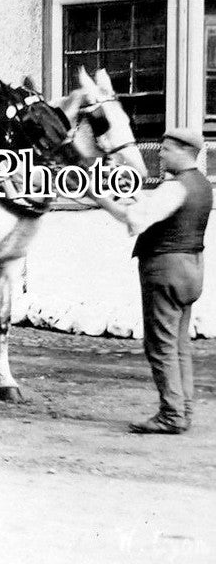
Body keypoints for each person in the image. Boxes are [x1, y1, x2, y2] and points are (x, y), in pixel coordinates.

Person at [93, 126, 212, 434]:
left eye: (166, 149)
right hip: (192, 268)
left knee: (160, 345)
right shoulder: (201, 184)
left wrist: (98, 197)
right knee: (180, 345)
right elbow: (154, 208)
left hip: (165, 268)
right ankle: (183, 409)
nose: (160, 153)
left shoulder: (175, 188)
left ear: (184, 152)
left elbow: (134, 218)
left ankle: (171, 415)